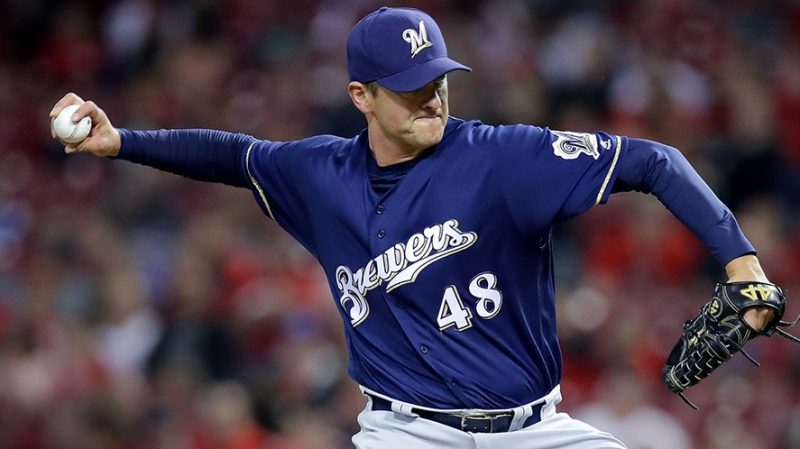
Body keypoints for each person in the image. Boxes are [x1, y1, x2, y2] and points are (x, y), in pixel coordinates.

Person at [50, 6, 781, 449]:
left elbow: (654, 161)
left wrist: (741, 262)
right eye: (409, 88)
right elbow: (231, 155)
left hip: (534, 430)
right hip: (407, 432)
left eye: (437, 79)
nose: (431, 96)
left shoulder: (503, 159)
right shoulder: (319, 175)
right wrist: (123, 142)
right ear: (361, 96)